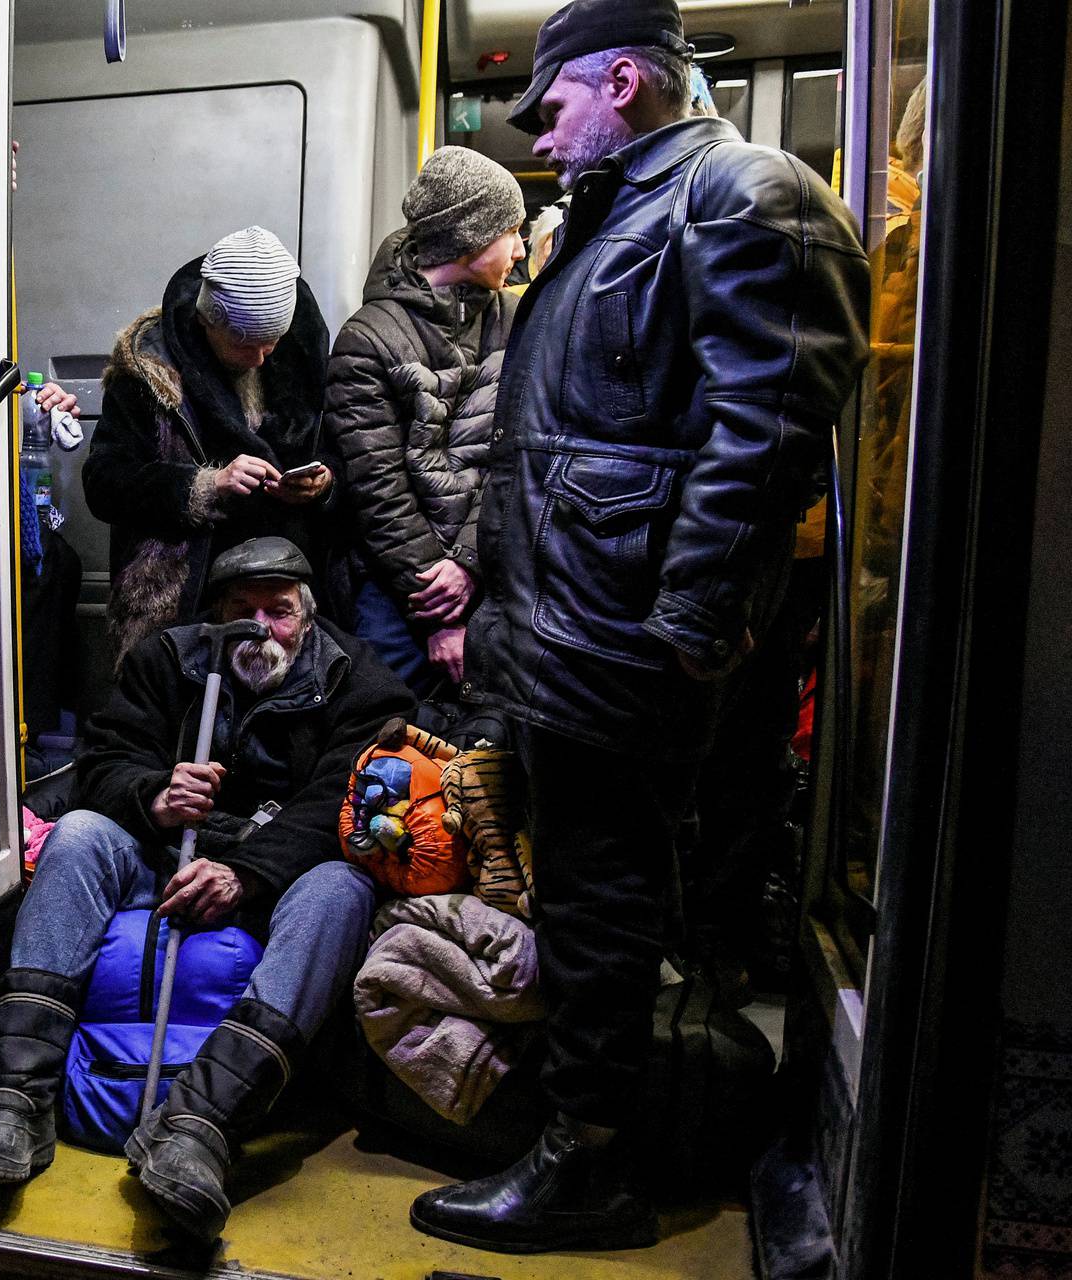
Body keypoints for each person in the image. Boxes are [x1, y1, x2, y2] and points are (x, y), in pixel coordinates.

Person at [410, 0, 869, 1254]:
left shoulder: (741, 194)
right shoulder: (624, 210)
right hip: (576, 622)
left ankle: (591, 1165)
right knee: (595, 896)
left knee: (606, 899)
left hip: (625, 629)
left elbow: (766, 424)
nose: (545, 139)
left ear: (624, 77)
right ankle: (595, 1129)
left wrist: (689, 614)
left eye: (553, 108)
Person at [0, 536, 414, 1241]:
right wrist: (155, 795)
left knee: (341, 889)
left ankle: (200, 1126)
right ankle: (14, 1095)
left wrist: (244, 873)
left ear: (306, 617)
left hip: (274, 875)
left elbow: (347, 800)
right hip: (164, 856)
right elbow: (104, 763)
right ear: (214, 611)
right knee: (79, 836)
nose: (260, 629)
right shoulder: (169, 659)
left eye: (278, 612)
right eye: (241, 610)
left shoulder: (357, 679)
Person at [324, 147, 526, 697]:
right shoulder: (367, 338)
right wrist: (436, 608)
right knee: (389, 733)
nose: (521, 247)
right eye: (511, 230)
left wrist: (468, 560)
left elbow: (514, 453)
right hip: (400, 588)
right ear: (470, 237)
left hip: (489, 566)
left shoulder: (513, 319)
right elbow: (377, 485)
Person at [84, 227, 338, 666]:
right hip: (182, 595)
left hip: (284, 591)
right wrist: (206, 485)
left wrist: (324, 483)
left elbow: (341, 453)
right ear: (207, 320)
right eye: (244, 342)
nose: (261, 358)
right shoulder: (146, 370)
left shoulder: (300, 359)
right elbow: (104, 482)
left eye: (270, 341)